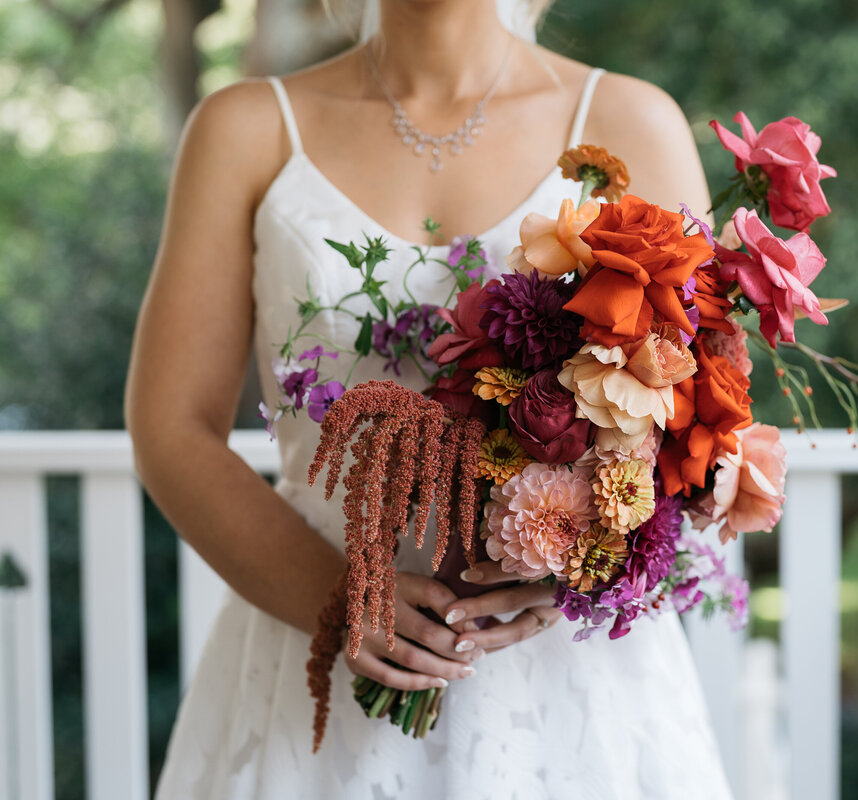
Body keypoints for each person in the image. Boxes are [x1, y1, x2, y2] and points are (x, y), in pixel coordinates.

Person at [126, 0, 734, 796]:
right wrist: (339, 598)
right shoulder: (245, 129)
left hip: (568, 694)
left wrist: (579, 572)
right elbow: (171, 426)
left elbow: (703, 422)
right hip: (313, 675)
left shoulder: (632, 121)